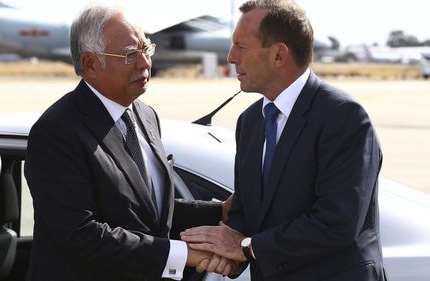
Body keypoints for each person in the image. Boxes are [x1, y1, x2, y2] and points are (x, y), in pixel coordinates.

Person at [181, 0, 387, 280]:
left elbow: (337, 223)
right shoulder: (250, 122)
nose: (230, 57)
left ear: (279, 55)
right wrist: (224, 248)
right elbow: (245, 212)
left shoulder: (342, 116)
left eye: (241, 46)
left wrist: (245, 248)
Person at [24, 4, 232, 281]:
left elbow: (147, 211)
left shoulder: (145, 115)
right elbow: (82, 234)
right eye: (130, 54)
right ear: (90, 64)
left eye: (146, 49)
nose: (145, 63)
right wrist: (183, 255)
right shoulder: (57, 131)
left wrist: (220, 211)